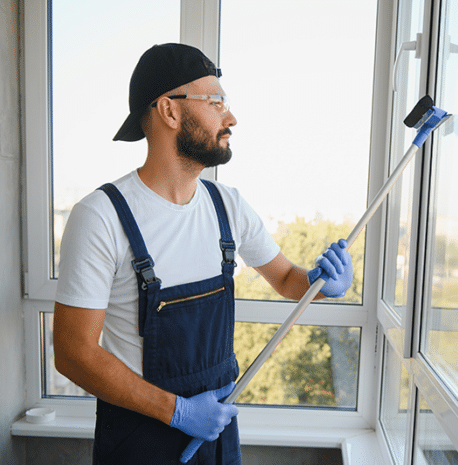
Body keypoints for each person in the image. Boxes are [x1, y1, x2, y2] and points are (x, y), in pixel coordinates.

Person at [53, 43, 353, 465]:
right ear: (169, 111)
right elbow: (73, 352)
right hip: (140, 442)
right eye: (215, 102)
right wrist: (177, 412)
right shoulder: (100, 217)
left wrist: (323, 281)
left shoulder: (226, 206)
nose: (230, 118)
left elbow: (288, 280)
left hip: (216, 432)